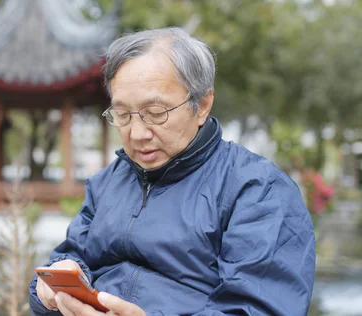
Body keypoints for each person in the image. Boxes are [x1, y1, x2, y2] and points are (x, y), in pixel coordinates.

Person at [28, 27, 316, 316]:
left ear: (201, 105)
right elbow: (71, 257)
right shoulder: (107, 182)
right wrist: (56, 280)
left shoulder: (257, 190)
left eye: (155, 113)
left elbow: (259, 308)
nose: (137, 133)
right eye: (123, 115)